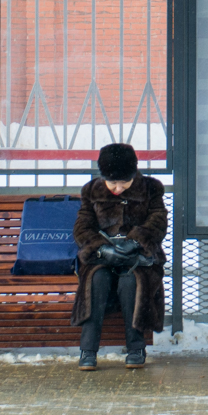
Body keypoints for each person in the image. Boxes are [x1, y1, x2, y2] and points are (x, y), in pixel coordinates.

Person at [71, 143, 167, 370]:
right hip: (101, 258)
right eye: (112, 182)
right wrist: (102, 249)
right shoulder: (92, 190)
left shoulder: (151, 188)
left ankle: (136, 348)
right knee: (97, 281)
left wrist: (135, 241)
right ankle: (88, 351)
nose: (118, 188)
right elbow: (82, 227)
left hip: (139, 259)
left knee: (131, 282)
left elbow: (158, 221)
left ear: (133, 174)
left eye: (124, 181)